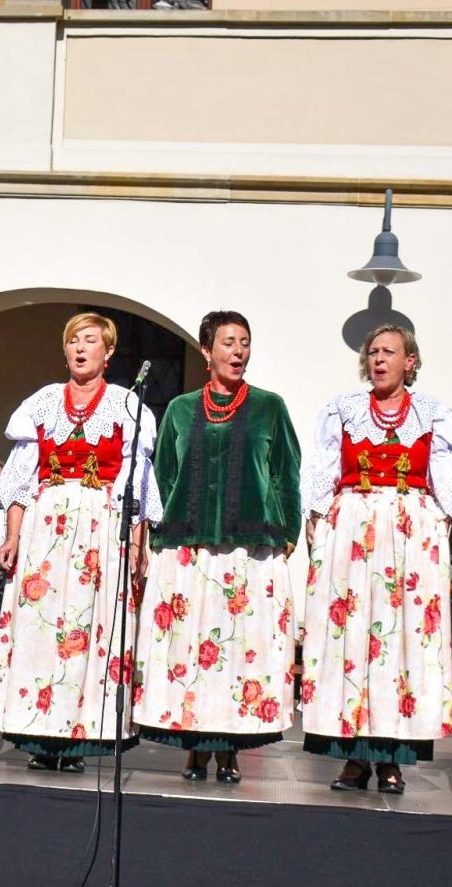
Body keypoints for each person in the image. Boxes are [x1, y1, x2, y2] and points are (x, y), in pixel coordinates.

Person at [298, 326, 452, 793]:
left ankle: (391, 757)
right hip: (352, 528)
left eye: (389, 352)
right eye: (372, 352)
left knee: (400, 646)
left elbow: (445, 484)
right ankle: (353, 758)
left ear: (410, 361)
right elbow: (322, 471)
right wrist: (316, 521)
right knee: (351, 640)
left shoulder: (433, 415)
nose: (378, 359)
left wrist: (441, 530)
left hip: (409, 534)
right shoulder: (344, 411)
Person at [134, 311, 301, 783]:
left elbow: (286, 472)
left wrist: (286, 533)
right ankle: (195, 747)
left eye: (244, 343)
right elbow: (163, 474)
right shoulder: (182, 410)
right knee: (194, 650)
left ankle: (230, 748)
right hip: (190, 549)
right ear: (207, 351)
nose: (238, 351)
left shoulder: (270, 407)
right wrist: (156, 537)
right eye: (228, 343)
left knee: (240, 653)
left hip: (250, 551)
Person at [0, 313, 159, 772]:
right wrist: (12, 535)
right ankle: (37, 729)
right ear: (65, 352)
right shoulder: (42, 404)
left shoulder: (126, 405)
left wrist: (139, 544)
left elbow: (136, 484)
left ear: (107, 352)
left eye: (90, 341)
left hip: (99, 527)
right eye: (73, 342)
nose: (81, 348)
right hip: (47, 526)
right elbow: (22, 479)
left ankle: (81, 734)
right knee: (41, 626)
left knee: (88, 627)